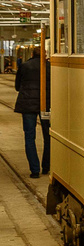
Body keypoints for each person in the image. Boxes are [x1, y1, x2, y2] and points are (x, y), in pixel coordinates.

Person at [14, 47, 50, 179]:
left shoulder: (24, 66)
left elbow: (17, 86)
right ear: (45, 55)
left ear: (31, 54)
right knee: (48, 136)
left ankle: (35, 170)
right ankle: (46, 167)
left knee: (29, 137)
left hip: (28, 105)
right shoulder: (50, 67)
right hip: (45, 105)